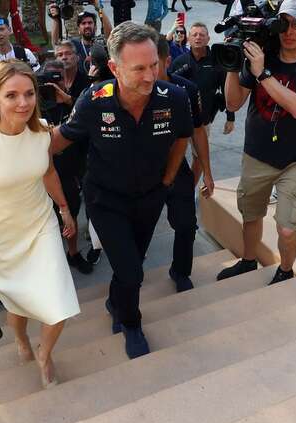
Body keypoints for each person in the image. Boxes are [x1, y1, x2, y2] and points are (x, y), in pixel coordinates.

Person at [51, 22, 193, 359]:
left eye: (154, 65)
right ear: (114, 68)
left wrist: (169, 178)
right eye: (139, 68)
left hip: (150, 196)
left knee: (132, 266)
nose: (149, 75)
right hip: (105, 199)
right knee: (132, 271)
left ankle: (116, 302)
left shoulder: (174, 98)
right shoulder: (94, 100)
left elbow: (182, 138)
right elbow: (58, 142)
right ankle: (132, 323)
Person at [0, 60, 81, 387]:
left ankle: (45, 352)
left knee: (59, 303)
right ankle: (21, 338)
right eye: (12, 95)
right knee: (19, 303)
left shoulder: (41, 130)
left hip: (42, 228)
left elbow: (48, 172)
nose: (23, 102)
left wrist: (64, 208)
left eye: (29, 94)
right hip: (4, 238)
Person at [220, 0, 296, 285]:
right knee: (250, 215)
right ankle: (248, 261)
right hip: (257, 154)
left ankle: (285, 270)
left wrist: (262, 73)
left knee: (287, 229)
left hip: (295, 159)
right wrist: (232, 63)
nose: (288, 32)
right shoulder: (265, 54)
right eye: (283, 23)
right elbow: (233, 103)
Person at [157, 36, 212, 292]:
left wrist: (207, 173)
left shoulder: (186, 90)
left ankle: (180, 271)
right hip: (141, 170)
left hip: (177, 167)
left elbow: (198, 132)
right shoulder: (128, 90)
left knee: (187, 224)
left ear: (167, 61)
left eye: (152, 65)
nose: (146, 73)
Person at [40, 59, 93, 275]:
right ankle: (48, 259)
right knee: (43, 222)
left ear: (66, 79)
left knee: (70, 214)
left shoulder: (76, 103)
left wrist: (69, 102)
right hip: (41, 175)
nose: (55, 82)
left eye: (58, 77)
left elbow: (88, 130)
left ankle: (73, 253)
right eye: (49, 78)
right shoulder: (33, 105)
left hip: (70, 171)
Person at [170, 23, 236, 138]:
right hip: (180, 119)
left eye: (202, 35)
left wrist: (230, 118)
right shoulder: (179, 62)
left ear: (208, 39)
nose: (198, 37)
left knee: (200, 155)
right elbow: (168, 88)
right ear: (189, 38)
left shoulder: (217, 62)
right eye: (194, 35)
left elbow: (227, 90)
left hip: (203, 121)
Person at [51, 6, 114, 73]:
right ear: (79, 29)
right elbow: (56, 44)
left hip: (102, 81)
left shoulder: (101, 43)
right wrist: (55, 18)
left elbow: (110, 34)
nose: (87, 26)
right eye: (83, 23)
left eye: (90, 23)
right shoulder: (74, 44)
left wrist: (98, 7)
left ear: (95, 27)